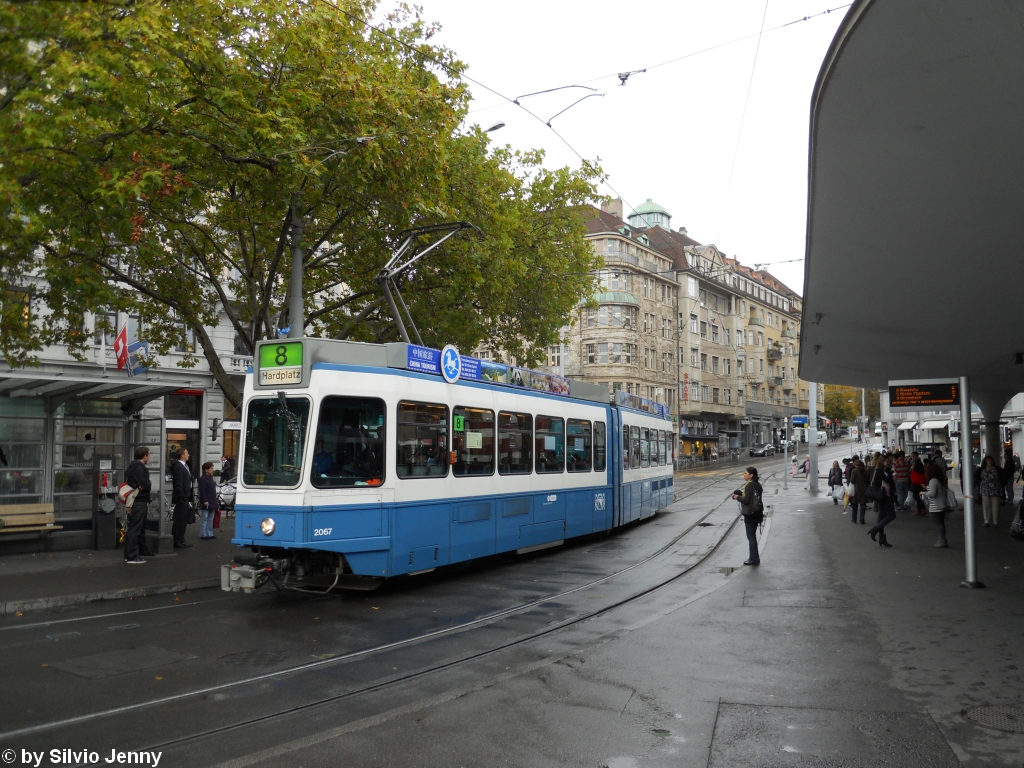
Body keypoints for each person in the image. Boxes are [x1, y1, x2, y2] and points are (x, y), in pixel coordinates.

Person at [122, 446, 153, 564]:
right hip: (139, 501)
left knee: (137, 528)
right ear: (144, 456)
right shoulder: (139, 468)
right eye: (149, 455)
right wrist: (146, 484)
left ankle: (139, 551)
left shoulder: (131, 467)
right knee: (135, 529)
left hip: (136, 501)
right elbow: (146, 485)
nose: (149, 457)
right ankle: (131, 556)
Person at [732, 467, 764, 565]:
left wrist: (738, 497)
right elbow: (752, 497)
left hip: (750, 514)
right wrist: (741, 494)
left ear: (751, 475)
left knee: (751, 536)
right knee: (752, 536)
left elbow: (746, 500)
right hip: (757, 512)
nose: (744, 475)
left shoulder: (749, 485)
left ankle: (754, 559)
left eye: (745, 473)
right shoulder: (757, 484)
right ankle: (754, 558)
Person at [867, 455, 896, 547]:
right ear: (882, 462)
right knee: (891, 515)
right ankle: (875, 529)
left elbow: (888, 480)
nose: (888, 463)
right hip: (883, 495)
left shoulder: (884, 470)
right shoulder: (879, 470)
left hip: (884, 495)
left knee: (881, 515)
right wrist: (892, 472)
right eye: (886, 461)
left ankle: (882, 538)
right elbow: (886, 479)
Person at [170, 447, 193, 549]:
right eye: (187, 453)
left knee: (183, 520)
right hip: (181, 498)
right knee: (179, 520)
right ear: (182, 455)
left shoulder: (184, 466)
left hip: (185, 497)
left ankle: (181, 539)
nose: (188, 455)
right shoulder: (178, 467)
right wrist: (182, 496)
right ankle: (177, 540)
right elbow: (178, 483)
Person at [925, 461, 950, 547]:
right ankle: (943, 539)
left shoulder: (933, 481)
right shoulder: (940, 479)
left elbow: (932, 493)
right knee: (941, 523)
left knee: (938, 524)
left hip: (935, 506)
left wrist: (923, 493)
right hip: (941, 505)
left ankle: (942, 540)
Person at [197, 461, 218, 540]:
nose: (212, 470)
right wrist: (204, 500)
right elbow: (202, 491)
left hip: (212, 500)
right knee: (205, 518)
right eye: (211, 468)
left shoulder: (210, 478)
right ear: (206, 470)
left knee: (210, 518)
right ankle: (203, 534)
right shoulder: (203, 479)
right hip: (207, 501)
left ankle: (209, 533)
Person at [979, 455, 1002, 527]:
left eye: (991, 460)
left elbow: (1004, 476)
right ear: (985, 461)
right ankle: (986, 521)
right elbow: (976, 475)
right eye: (988, 460)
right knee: (986, 506)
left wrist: (1001, 483)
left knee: (996, 506)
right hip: (985, 490)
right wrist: (979, 482)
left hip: (995, 490)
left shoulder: (997, 469)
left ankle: (996, 521)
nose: (990, 461)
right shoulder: (982, 469)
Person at [849, 459, 869, 524]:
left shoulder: (854, 471)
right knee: (863, 504)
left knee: (855, 505)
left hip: (856, 490)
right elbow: (868, 480)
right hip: (864, 489)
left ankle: (854, 519)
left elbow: (852, 480)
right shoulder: (866, 471)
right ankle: (862, 519)